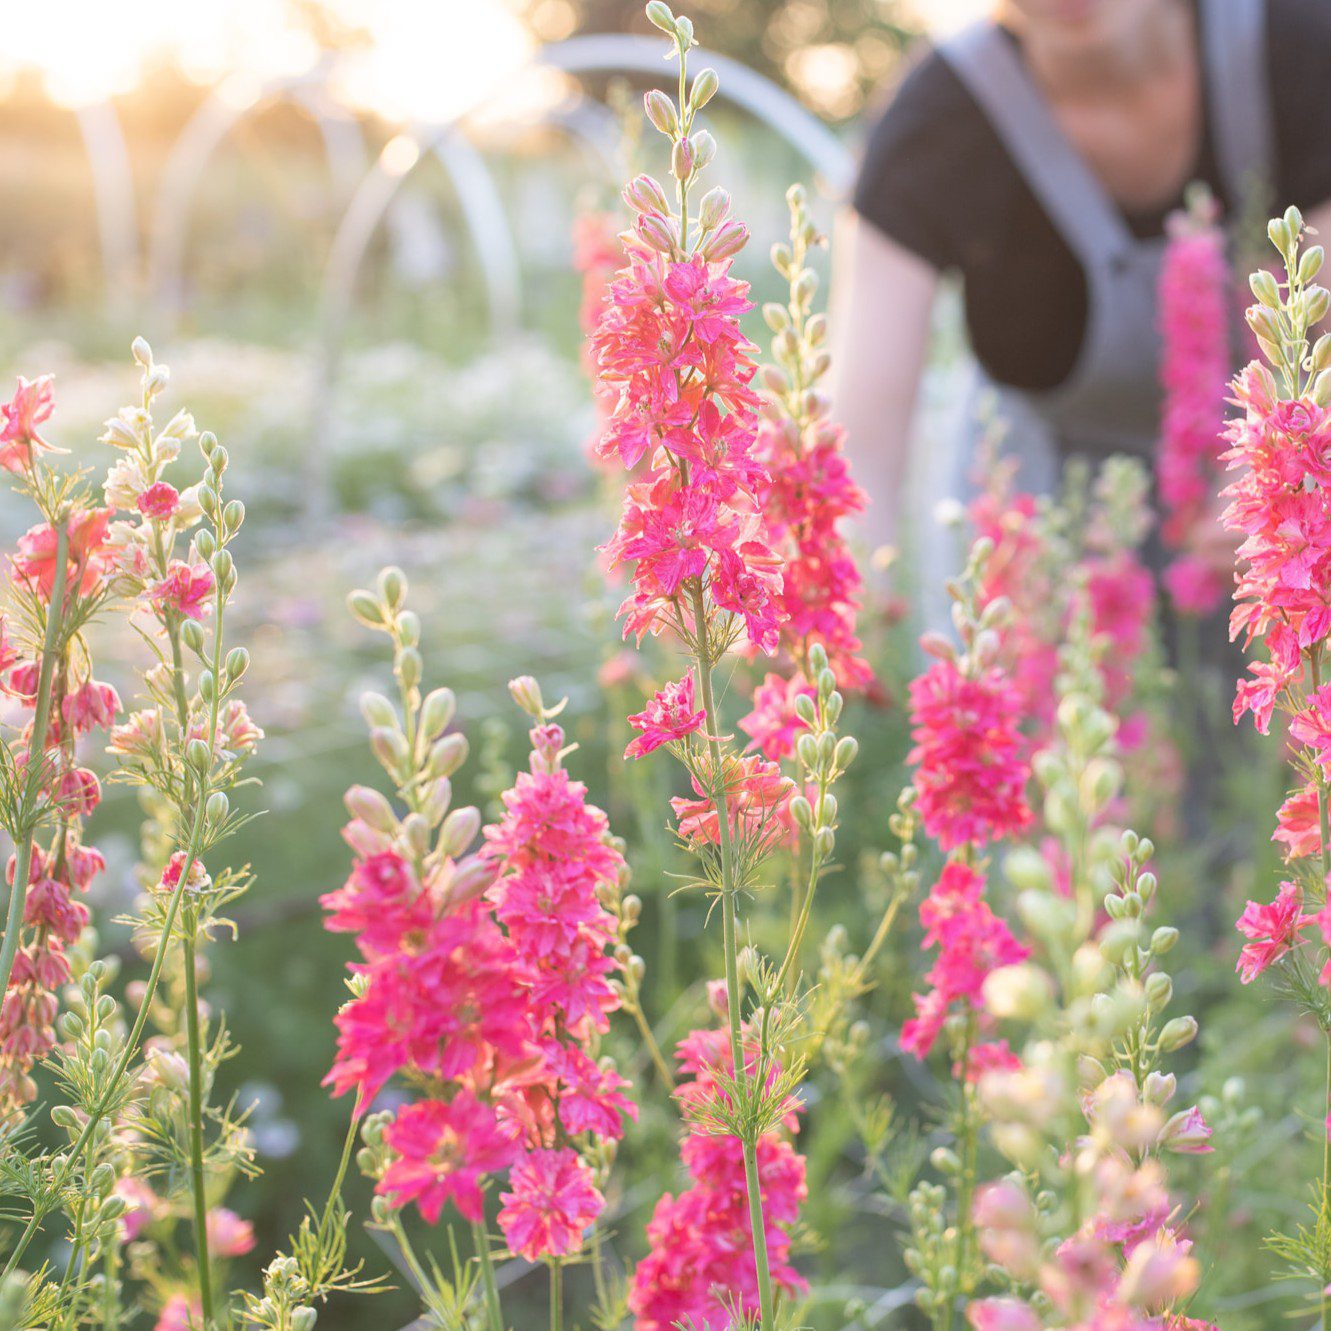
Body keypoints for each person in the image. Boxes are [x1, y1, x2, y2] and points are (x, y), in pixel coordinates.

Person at [832, 0, 1331, 570]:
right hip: (1039, 565)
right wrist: (832, 625)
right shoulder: (933, 128)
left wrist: (1289, 461)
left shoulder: (1298, 50)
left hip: (1289, 537)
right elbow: (858, 464)